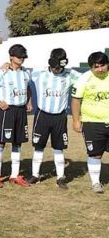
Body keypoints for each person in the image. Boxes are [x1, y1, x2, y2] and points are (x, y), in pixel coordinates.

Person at [27, 48, 80, 189]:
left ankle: (60, 177)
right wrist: (6, 66)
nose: (57, 70)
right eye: (55, 67)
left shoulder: (70, 74)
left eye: (60, 67)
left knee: (59, 148)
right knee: (38, 147)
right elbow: (21, 74)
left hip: (60, 117)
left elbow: (86, 79)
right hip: (42, 115)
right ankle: (35, 175)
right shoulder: (39, 73)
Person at [0, 44, 32, 188]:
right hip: (7, 110)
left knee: (17, 142)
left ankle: (14, 175)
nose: (22, 59)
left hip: (20, 110)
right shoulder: (2, 72)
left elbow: (28, 89)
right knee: (1, 142)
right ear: (11, 57)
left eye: (23, 56)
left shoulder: (26, 73)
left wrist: (29, 101)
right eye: (19, 56)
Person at [71, 51, 109, 193]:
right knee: (95, 154)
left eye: (102, 66)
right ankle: (96, 183)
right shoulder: (84, 78)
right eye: (96, 67)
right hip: (92, 123)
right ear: (91, 67)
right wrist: (76, 120)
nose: (100, 69)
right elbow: (76, 100)